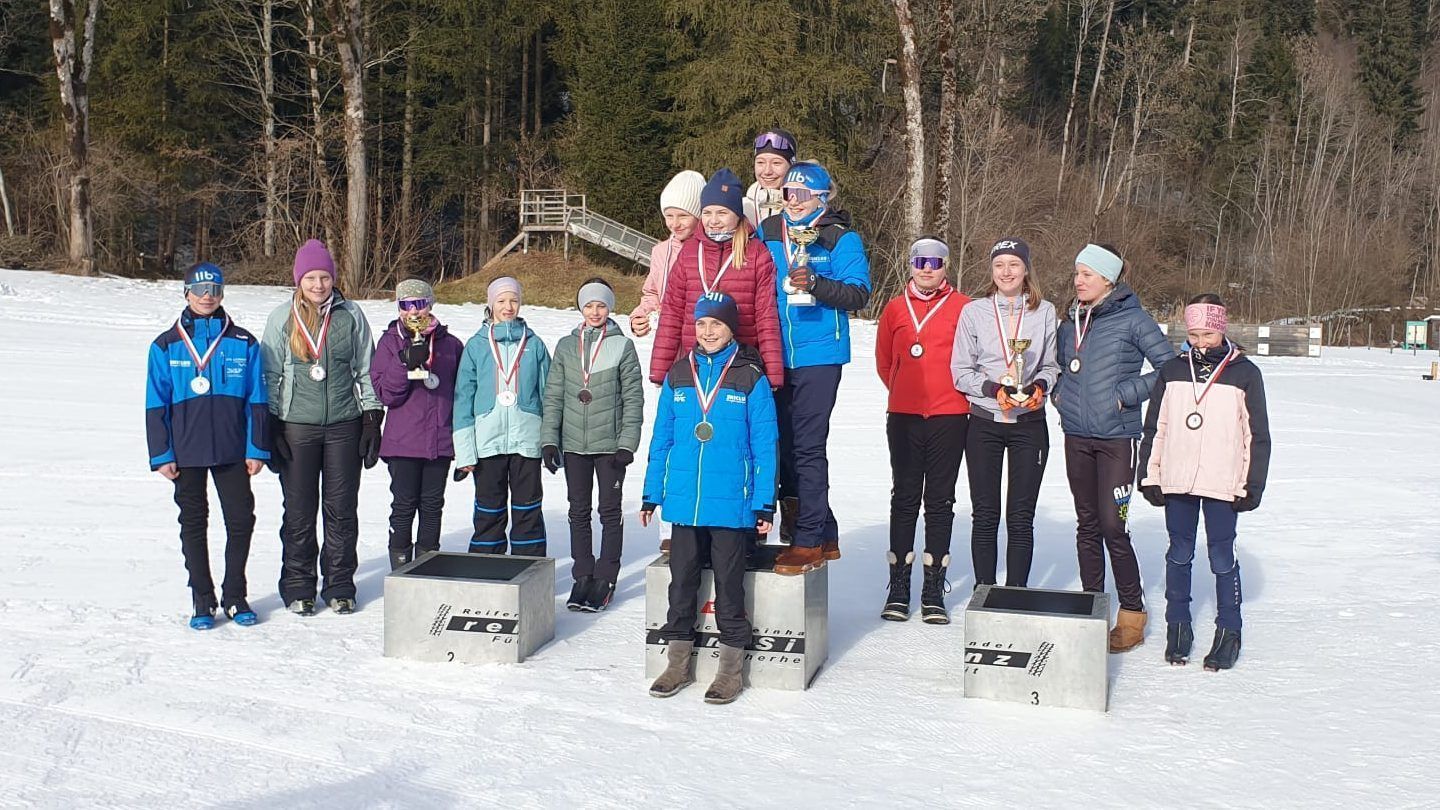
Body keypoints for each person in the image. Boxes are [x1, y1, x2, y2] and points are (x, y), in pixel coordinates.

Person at [641, 292, 778, 705]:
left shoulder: (750, 376)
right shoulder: (679, 374)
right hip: (684, 504)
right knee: (680, 586)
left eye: (716, 324)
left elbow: (766, 444)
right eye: (701, 324)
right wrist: (652, 492)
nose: (708, 332)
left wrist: (763, 502)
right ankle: (677, 664)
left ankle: (730, 671)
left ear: (730, 328)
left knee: (729, 590)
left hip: (731, 507)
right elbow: (661, 437)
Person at [1137, 294, 1270, 671]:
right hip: (1178, 477)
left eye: (1208, 335)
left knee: (1221, 556)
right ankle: (1178, 627)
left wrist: (1252, 483)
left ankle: (1230, 629)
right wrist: (1150, 473)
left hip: (1222, 481)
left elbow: (1256, 435)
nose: (1200, 342)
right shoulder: (1172, 370)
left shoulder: (1244, 373)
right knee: (1178, 553)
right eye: (1193, 334)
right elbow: (1156, 427)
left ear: (1222, 329)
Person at [1054, 242, 1174, 652]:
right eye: (1076, 273)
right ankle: (1092, 609)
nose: (1079, 280)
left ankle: (1131, 612)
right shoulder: (1070, 321)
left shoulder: (1134, 319)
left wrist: (1126, 394)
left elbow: (1169, 368)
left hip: (1117, 439)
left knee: (1112, 526)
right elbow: (1058, 367)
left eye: (1087, 274)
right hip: (1076, 436)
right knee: (1086, 524)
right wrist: (1058, 396)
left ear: (1109, 278)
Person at [759, 160, 872, 574]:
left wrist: (817, 286)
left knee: (807, 446)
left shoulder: (840, 238)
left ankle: (806, 540)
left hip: (820, 355)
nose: (793, 201)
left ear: (822, 199)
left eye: (802, 194)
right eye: (787, 193)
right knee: (780, 444)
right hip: (774, 352)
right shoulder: (769, 232)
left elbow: (859, 293)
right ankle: (824, 530)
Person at [261, 240, 383, 616]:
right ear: (299, 279)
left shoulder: (350, 315)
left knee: (342, 510)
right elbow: (270, 374)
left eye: (325, 276)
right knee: (298, 511)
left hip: (344, 425)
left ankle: (340, 584)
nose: (318, 284)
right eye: (311, 277)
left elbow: (366, 367)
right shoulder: (282, 317)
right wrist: (271, 424)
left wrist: (372, 416)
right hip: (297, 427)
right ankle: (298, 585)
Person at [146, 263, 269, 629]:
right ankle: (202, 597)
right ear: (186, 294)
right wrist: (162, 454)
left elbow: (257, 399)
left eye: (214, 289)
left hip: (233, 450)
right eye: (199, 290)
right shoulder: (165, 345)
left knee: (240, 520)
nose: (207, 296)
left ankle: (235, 595)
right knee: (193, 523)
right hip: (186, 452)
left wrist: (256, 448)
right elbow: (156, 403)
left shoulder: (243, 342)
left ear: (222, 293)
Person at [952, 238, 1060, 592]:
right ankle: (984, 591)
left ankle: (1015, 593)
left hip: (1029, 424)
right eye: (1000, 265)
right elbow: (960, 370)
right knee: (985, 514)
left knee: (1020, 516)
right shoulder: (975, 311)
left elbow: (1050, 365)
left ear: (1026, 269)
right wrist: (992, 390)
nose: (1006, 272)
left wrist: (1039, 387)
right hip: (985, 422)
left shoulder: (1044, 311)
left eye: (1014, 264)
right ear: (992, 270)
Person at [874, 236, 971, 624]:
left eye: (935, 262)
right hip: (904, 414)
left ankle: (933, 589)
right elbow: (884, 361)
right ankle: (899, 587)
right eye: (920, 261)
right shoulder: (895, 309)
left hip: (950, 414)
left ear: (946, 266)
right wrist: (903, 390)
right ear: (911, 264)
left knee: (941, 500)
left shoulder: (965, 308)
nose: (927, 268)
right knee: (905, 497)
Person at [541, 278, 645, 612]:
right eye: (589, 305)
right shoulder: (566, 347)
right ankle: (582, 574)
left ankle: (606, 576)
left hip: (610, 445)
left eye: (601, 305)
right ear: (581, 308)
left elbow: (633, 398)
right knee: (578, 511)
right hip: (573, 444)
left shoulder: (622, 346)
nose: (595, 311)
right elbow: (554, 395)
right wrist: (549, 440)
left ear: (610, 307)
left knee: (610, 511)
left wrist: (627, 443)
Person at [649, 168, 785, 391]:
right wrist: (659, 369)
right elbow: (672, 312)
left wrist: (773, 372)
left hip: (739, 362)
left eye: (722, 213)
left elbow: (766, 316)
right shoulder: (690, 252)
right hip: (695, 359)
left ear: (737, 214)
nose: (713, 221)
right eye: (707, 212)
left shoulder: (756, 253)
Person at [453, 277, 552, 557]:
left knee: (528, 509)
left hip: (527, 442)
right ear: (490, 304)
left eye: (514, 300)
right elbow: (463, 399)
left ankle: (530, 569)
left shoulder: (535, 345)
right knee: (488, 509)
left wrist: (550, 441)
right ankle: (486, 568)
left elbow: (550, 396)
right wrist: (465, 452)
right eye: (501, 301)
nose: (508, 307)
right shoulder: (476, 346)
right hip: (487, 442)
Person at [370, 279, 464, 570]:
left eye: (419, 304)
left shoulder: (451, 345)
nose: (413, 312)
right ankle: (400, 566)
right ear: (398, 309)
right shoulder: (390, 342)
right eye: (405, 305)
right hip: (403, 443)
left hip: (439, 440)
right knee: (403, 506)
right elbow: (386, 393)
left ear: (430, 305)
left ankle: (427, 564)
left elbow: (462, 393)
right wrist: (404, 362)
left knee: (433, 507)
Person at [631, 170, 705, 338]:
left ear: (699, 215)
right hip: (668, 339)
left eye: (683, 216)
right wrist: (640, 315)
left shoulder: (709, 250)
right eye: (669, 216)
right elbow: (652, 293)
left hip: (701, 339)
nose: (675, 223)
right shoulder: (660, 251)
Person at [745, 128, 797, 230]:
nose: (767, 171)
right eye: (760, 162)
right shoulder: (742, 208)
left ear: (792, 166)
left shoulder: (803, 207)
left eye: (776, 163)